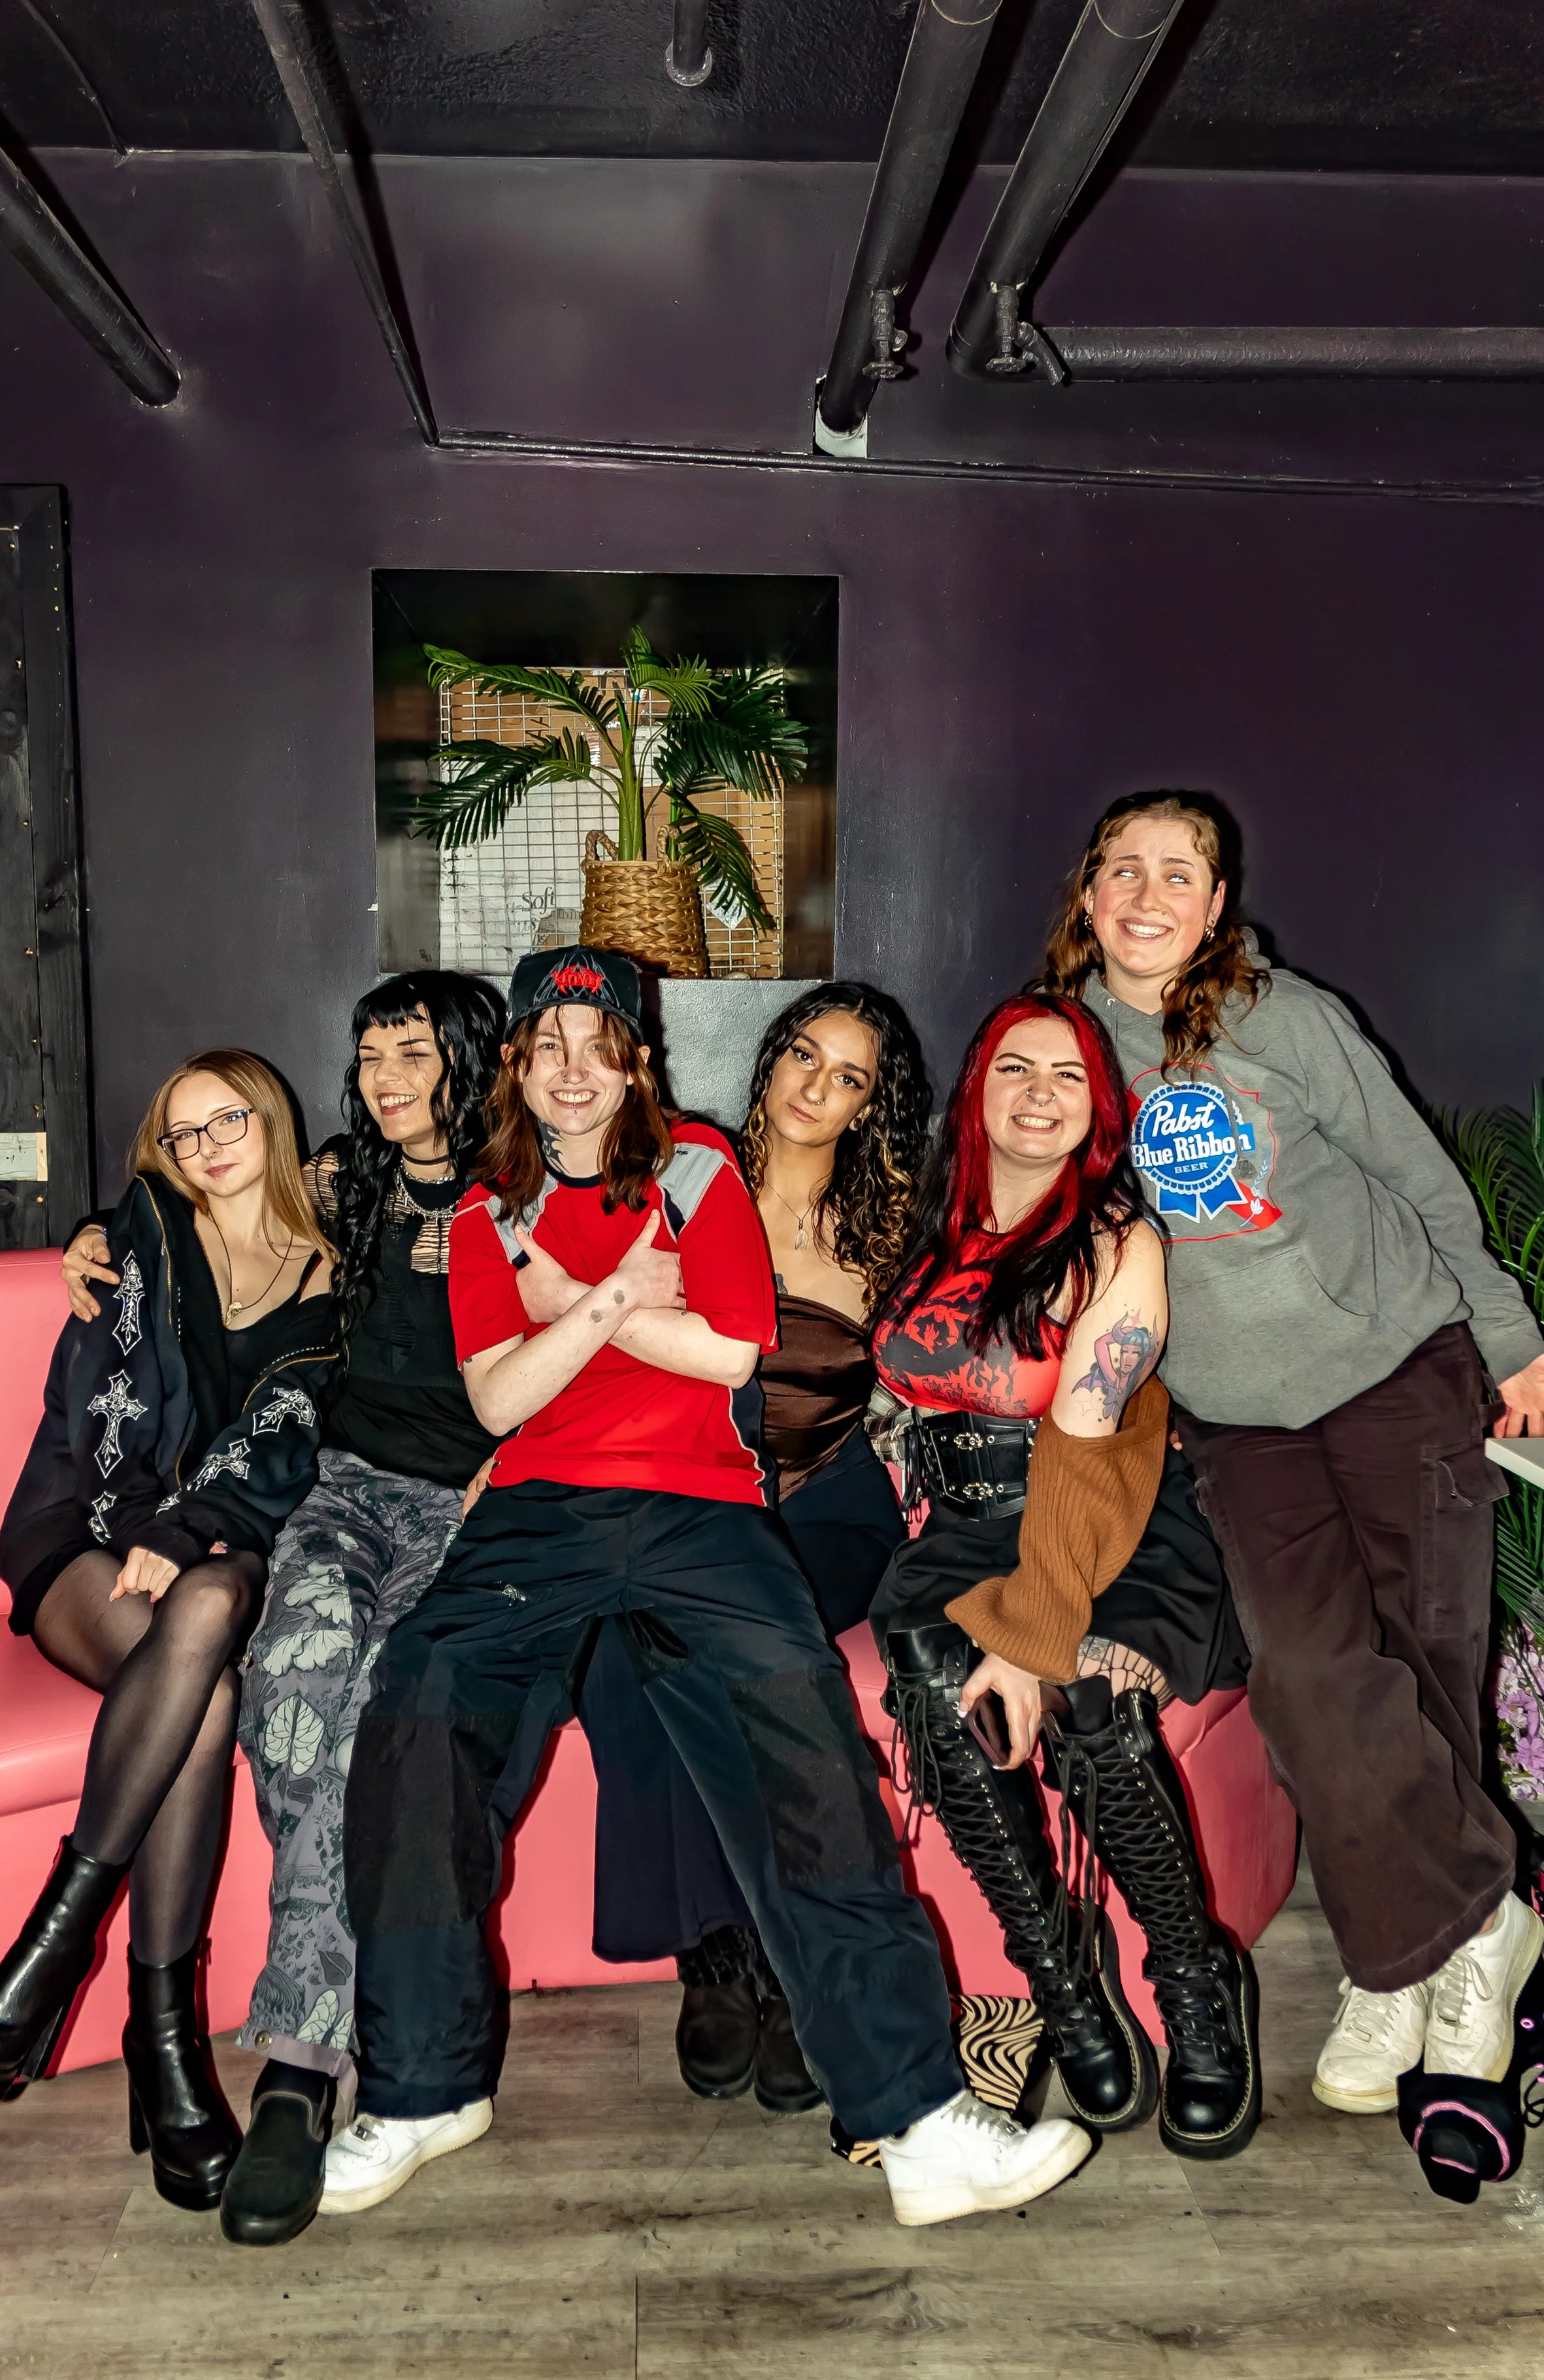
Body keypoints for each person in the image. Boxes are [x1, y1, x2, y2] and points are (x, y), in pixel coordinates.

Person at [323, 945, 1092, 2228]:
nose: (574, 1070)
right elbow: (499, 1396)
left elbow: (730, 1346)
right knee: (417, 1710)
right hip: (536, 1510)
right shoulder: (480, 1209)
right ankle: (417, 2090)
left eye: (599, 1042)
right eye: (548, 1044)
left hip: (701, 1510)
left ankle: (913, 2118)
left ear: (636, 1056)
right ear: (517, 1059)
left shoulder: (695, 1165)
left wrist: (567, 1301)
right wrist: (625, 1295)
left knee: (804, 1752)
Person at [1042, 788, 1544, 2125]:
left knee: (1425, 1678)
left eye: (1177, 874)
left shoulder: (1284, 1017)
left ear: (1214, 907)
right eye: (1120, 871)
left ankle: (1396, 1970)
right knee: (1313, 1678)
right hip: (1236, 1418)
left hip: (1397, 1374)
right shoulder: (1061, 1049)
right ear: (1086, 895)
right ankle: (1480, 1923)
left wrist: (1508, 1339)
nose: (1144, 896)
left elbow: (1422, 1177)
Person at [58, 969, 505, 2248]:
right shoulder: (342, 1183)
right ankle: (318, 2063)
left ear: (464, 1059)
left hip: (472, 1513)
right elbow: (201, 1205)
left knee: (374, 1718)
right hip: (340, 1499)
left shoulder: (522, 1199)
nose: (383, 1075)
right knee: (296, 1698)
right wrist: (97, 1232)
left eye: (412, 1051)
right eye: (368, 1052)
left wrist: (509, 1475)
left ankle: (300, 2072)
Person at [0, 1053, 337, 2215]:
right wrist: (158, 1524)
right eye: (182, 1130)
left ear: (274, 1124)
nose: (205, 1146)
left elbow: (289, 1438)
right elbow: (97, 1422)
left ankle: (55, 1980)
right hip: (81, 1535)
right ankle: (167, 2041)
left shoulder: (327, 1275)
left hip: (208, 1550)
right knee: (196, 1658)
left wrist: (197, 1528)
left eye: (228, 1120)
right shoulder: (135, 1239)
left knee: (203, 1633)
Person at [870, 991, 1260, 2160]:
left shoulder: (1115, 1235)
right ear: (977, 1089)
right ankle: (1063, 1978)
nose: (1038, 1092)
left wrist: (1036, 1637)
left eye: (1069, 1076)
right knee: (939, 1683)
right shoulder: (934, 1221)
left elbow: (1086, 1444)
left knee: (1086, 1693)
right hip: (964, 1527)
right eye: (1013, 1069)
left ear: (1101, 1107)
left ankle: (1194, 1976)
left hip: (1115, 1520)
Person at [579, 983, 930, 2111]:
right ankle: (719, 1947)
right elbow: (513, 1188)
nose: (816, 1087)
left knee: (751, 1645)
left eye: (851, 1078)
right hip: (687, 1492)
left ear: (873, 1107)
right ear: (771, 1057)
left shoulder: (894, 1228)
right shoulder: (678, 1181)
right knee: (642, 1651)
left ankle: (794, 1960)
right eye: (805, 1056)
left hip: (828, 1498)